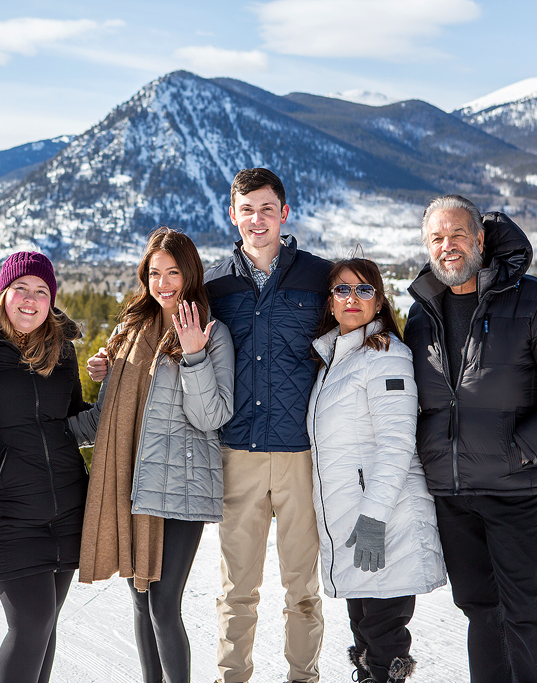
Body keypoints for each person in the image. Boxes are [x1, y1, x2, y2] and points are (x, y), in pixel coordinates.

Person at [404, 194, 537, 683]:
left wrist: (519, 452)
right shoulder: (423, 311)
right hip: (449, 493)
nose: (447, 247)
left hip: (512, 490)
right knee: (479, 609)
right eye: (436, 238)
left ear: (481, 239)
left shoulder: (536, 300)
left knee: (526, 613)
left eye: (458, 235)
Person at [77, 226, 234, 683]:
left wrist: (194, 356)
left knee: (164, 605)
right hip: (132, 481)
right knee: (140, 601)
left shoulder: (211, 331)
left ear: (190, 274)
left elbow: (212, 416)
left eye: (173, 273)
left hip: (182, 486)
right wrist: (102, 372)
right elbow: (108, 415)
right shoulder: (129, 332)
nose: (164, 283)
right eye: (154, 273)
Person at [203, 167, 331, 683]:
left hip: (300, 452)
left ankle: (305, 676)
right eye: (246, 209)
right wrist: (110, 361)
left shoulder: (319, 277)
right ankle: (231, 677)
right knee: (237, 587)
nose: (257, 219)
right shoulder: (213, 282)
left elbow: (360, 331)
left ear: (284, 213)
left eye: (267, 208)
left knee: (302, 586)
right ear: (232, 215)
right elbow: (168, 335)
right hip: (239, 452)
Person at [307, 258, 446, 683]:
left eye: (364, 290)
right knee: (366, 637)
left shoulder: (387, 356)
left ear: (379, 301)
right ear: (329, 303)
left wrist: (373, 518)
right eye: (342, 290)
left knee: (384, 640)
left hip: (386, 522)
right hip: (356, 524)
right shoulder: (335, 360)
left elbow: (397, 444)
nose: (353, 298)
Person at [0, 251, 92, 683]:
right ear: (3, 292)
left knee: (45, 627)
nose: (30, 299)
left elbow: (74, 419)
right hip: (5, 509)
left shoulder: (63, 349)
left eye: (41, 291)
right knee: (31, 623)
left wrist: (123, 385)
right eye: (20, 288)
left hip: (66, 505)